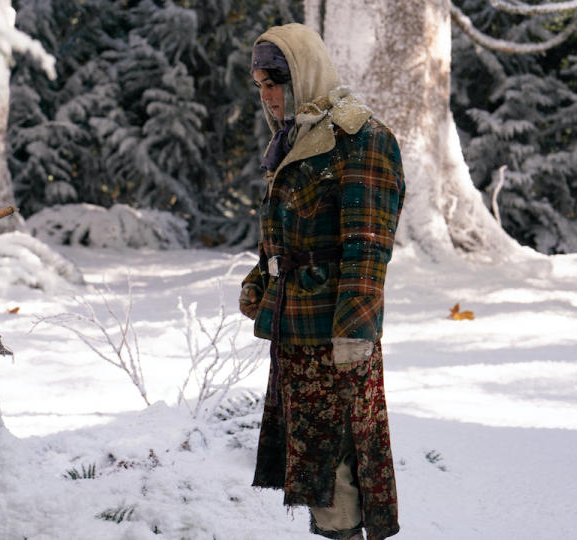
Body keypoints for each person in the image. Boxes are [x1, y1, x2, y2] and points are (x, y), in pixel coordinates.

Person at [238, 23, 405, 540]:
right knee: (312, 461)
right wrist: (261, 280)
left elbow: (368, 245)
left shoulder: (363, 138)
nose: (266, 96)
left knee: (343, 462)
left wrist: (354, 330)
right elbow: (285, 231)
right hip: (296, 328)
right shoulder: (295, 135)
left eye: (275, 82)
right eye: (260, 84)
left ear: (303, 74)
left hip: (337, 333)